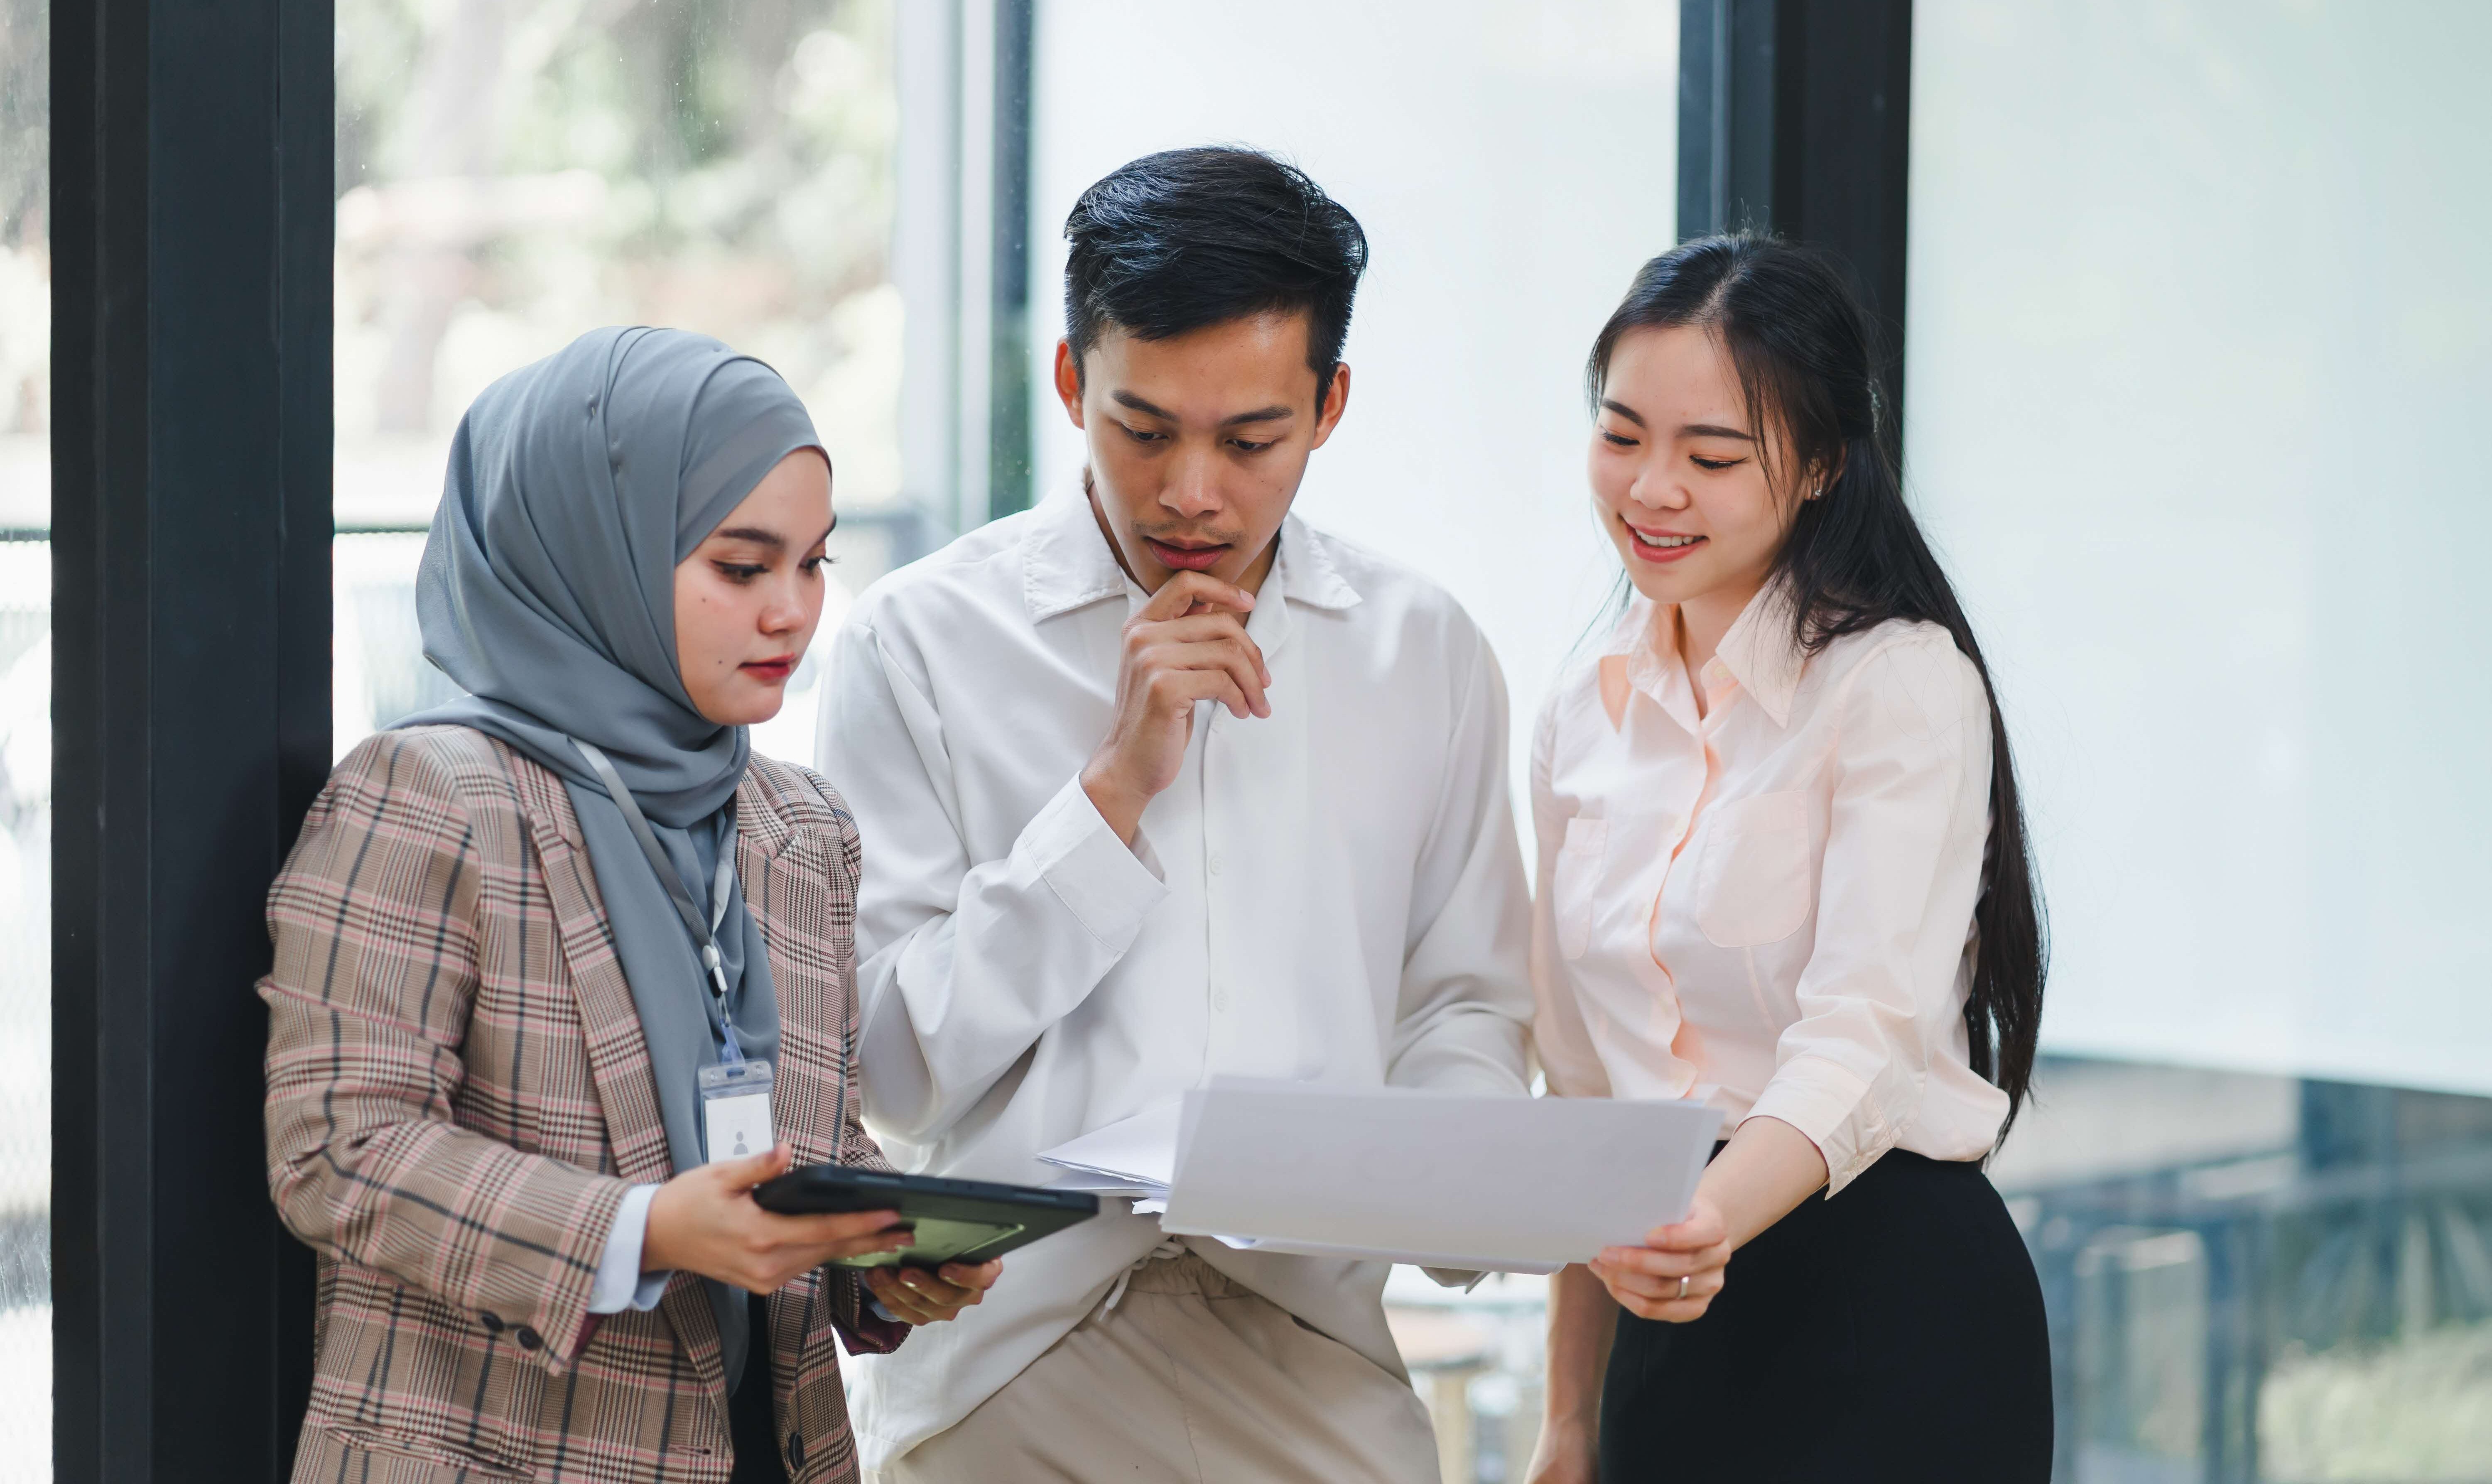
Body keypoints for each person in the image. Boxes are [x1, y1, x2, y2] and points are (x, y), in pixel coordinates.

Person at [821, 147, 1533, 1482]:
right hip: (1005, 1359)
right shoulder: (916, 642)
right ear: (1071, 382)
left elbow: (1466, 1009)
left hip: (1315, 1350)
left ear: (1329, 406)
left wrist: (1451, 1190)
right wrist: (1111, 793)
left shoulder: (1423, 651)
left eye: (1250, 440)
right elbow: (895, 1071)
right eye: (1143, 431)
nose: (1191, 492)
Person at [260, 327, 1000, 1484]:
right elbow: (337, 1152)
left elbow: (805, 1137)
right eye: (742, 568)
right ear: (594, 553)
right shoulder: (429, 798)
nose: (793, 612)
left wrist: (878, 1257)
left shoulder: (800, 827)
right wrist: (640, 1233)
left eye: (814, 564)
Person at [1523, 238, 2053, 1483]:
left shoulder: (1897, 683)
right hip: (1668, 1310)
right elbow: (1585, 1093)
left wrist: (1698, 1222)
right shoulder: (1582, 713)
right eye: (1621, 435)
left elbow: (1862, 1039)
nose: (1653, 488)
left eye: (1713, 458)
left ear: (1821, 465)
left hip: (1885, 1306)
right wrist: (1568, 1417)